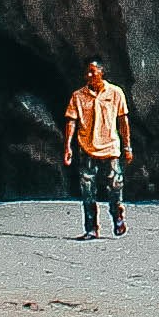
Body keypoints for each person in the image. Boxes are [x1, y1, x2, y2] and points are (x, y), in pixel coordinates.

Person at [63, 60, 131, 239]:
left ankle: (117, 215)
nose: (89, 75)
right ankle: (91, 228)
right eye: (87, 72)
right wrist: (68, 146)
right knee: (87, 189)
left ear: (102, 72)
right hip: (87, 147)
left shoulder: (115, 93)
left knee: (115, 185)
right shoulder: (78, 96)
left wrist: (127, 146)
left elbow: (123, 121)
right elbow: (71, 121)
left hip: (110, 147)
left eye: (93, 71)